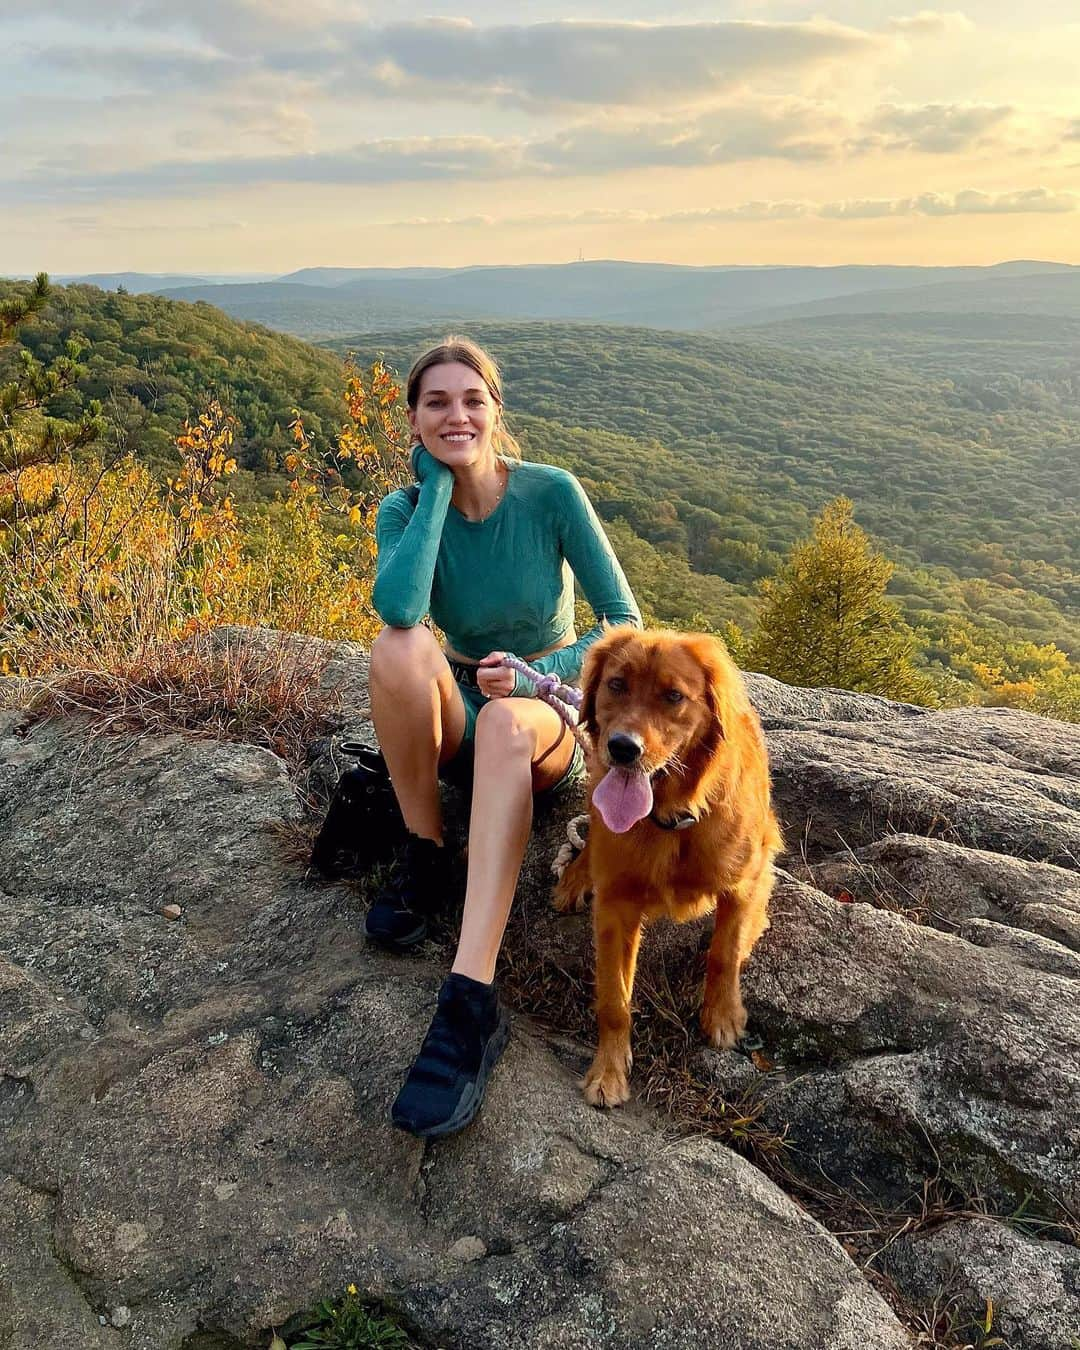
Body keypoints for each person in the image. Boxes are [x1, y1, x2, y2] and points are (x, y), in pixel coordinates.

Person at [368, 335, 641, 1139]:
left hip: (539, 710)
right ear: (415, 423)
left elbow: (622, 622)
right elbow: (402, 610)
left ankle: (470, 997)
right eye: (435, 404)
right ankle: (426, 849)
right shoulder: (403, 510)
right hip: (457, 704)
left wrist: (534, 673)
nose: (456, 415)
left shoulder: (551, 493)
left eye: (470, 400)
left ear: (495, 410)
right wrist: (434, 496)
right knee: (397, 646)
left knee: (504, 731)